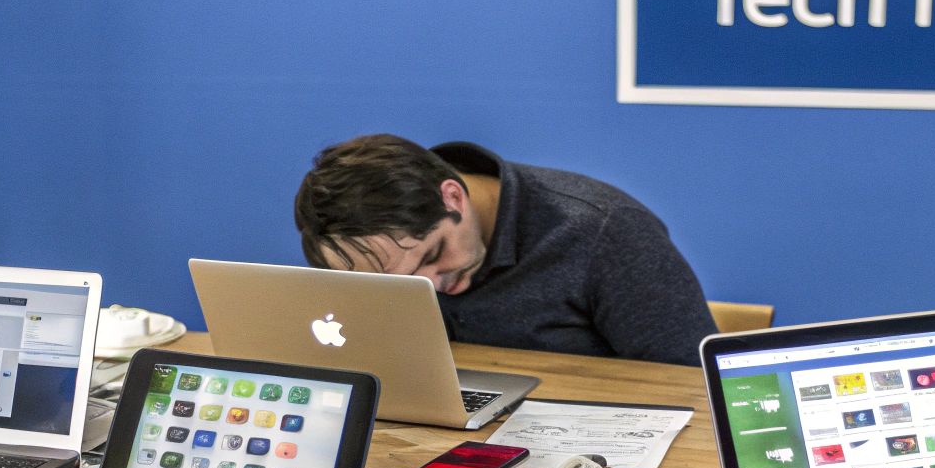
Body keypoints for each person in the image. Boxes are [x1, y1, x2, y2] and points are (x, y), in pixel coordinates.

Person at [293, 134, 718, 366]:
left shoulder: (606, 232)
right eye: (397, 284)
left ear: (453, 198)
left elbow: (693, 385)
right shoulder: (364, 253)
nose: (430, 287)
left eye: (432, 255)